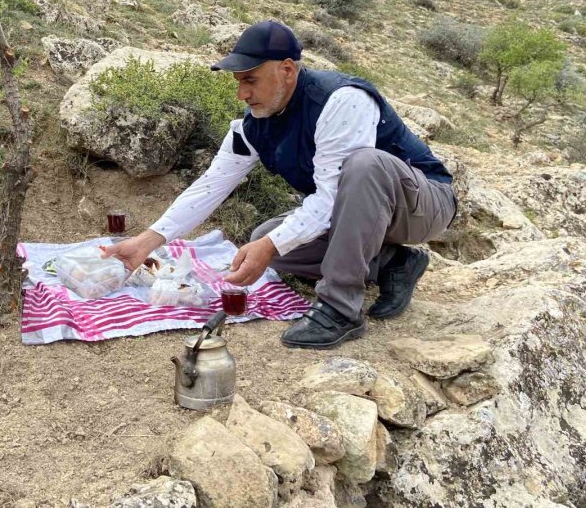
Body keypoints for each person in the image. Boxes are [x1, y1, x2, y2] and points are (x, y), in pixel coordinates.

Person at [103, 20, 457, 349]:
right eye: (238, 82)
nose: (242, 93)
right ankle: (393, 263)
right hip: (367, 218)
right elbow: (210, 186)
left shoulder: (341, 101)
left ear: (286, 70)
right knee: (263, 237)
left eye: (250, 80)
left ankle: (340, 309)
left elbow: (333, 197)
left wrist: (273, 245)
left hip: (422, 205)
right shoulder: (254, 124)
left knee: (362, 166)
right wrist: (148, 240)